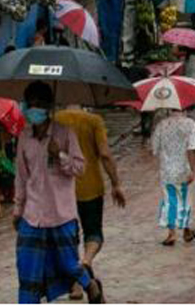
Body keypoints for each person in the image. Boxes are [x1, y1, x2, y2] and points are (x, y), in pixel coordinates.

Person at [13, 82, 104, 304]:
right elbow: (22, 176)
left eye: (39, 104)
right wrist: (18, 208)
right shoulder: (24, 137)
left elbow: (79, 168)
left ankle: (89, 284)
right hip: (32, 214)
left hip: (61, 213)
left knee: (68, 263)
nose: (34, 109)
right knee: (27, 268)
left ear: (48, 107)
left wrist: (60, 154)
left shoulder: (65, 133)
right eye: (30, 104)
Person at [54, 104, 126, 299]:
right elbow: (104, 154)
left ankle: (76, 285)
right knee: (93, 232)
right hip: (90, 186)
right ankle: (86, 261)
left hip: (62, 189)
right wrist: (116, 183)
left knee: (70, 236)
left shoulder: (55, 120)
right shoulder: (93, 121)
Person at [152, 107, 195, 246]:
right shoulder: (191, 124)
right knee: (184, 199)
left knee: (169, 199)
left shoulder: (161, 125)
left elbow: (155, 148)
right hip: (183, 169)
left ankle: (172, 233)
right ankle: (186, 230)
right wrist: (193, 169)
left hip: (166, 169)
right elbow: (192, 149)